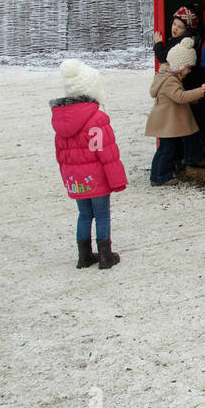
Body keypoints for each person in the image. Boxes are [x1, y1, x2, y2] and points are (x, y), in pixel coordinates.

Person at [50, 59, 128, 269]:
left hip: (76, 179)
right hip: (97, 179)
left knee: (84, 214)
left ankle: (84, 256)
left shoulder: (61, 122)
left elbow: (60, 154)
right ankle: (105, 255)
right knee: (102, 214)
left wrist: (67, 178)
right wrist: (117, 180)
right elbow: (107, 154)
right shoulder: (97, 119)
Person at [145, 38, 205, 186]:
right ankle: (161, 176)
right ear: (179, 66)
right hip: (166, 123)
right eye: (188, 67)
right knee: (166, 150)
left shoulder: (169, 78)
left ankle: (157, 176)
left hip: (167, 122)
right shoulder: (170, 81)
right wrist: (200, 91)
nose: (189, 70)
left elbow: (177, 97)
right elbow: (179, 97)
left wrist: (193, 99)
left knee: (165, 149)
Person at [152, 4, 205, 167]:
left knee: (188, 126)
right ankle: (186, 157)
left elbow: (166, 59)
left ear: (187, 29)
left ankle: (184, 158)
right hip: (184, 91)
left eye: (180, 26)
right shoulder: (179, 40)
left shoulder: (183, 44)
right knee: (185, 127)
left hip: (186, 89)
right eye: (174, 24)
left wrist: (157, 46)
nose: (175, 28)